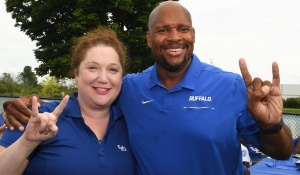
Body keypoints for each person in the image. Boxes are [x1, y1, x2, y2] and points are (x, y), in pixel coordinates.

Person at [2, 1, 294, 175]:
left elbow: (281, 153)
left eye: (182, 28)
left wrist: (272, 125)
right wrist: (22, 105)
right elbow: (88, 100)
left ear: (193, 35)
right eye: (163, 30)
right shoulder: (129, 88)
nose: (174, 37)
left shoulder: (229, 85)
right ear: (148, 38)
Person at [0, 27, 137, 175]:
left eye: (113, 70)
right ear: (76, 73)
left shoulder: (131, 123)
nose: (103, 78)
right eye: (92, 67)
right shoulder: (38, 118)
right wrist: (27, 143)